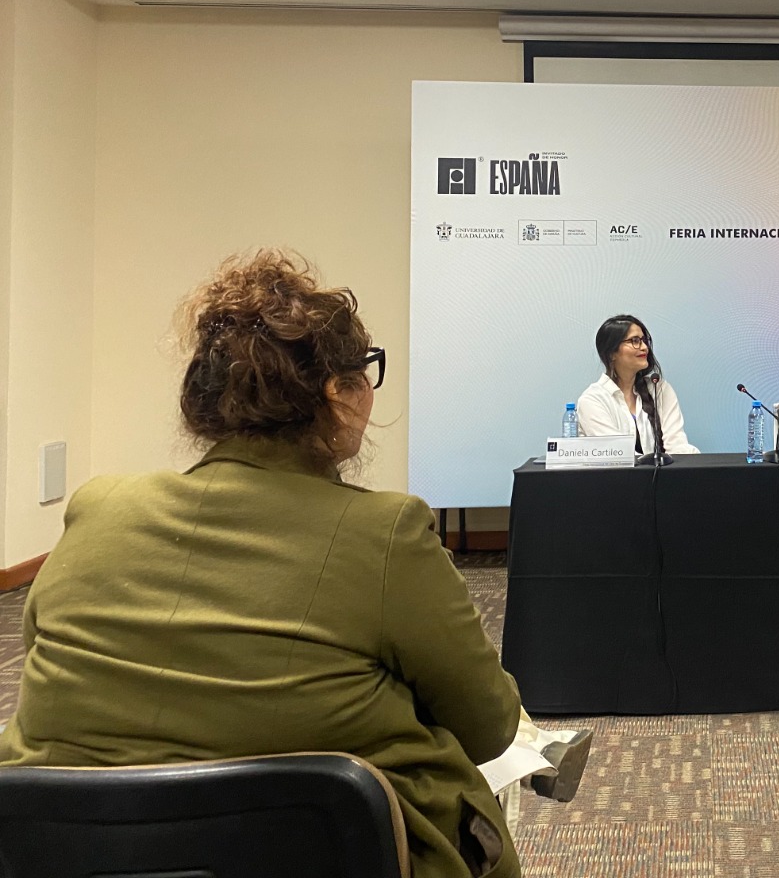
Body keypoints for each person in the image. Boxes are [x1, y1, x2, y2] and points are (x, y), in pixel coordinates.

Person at [0, 251, 579, 878]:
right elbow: (489, 725)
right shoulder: (386, 531)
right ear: (337, 392)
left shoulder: (98, 508)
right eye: (366, 374)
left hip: (78, 856)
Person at [576, 314, 698, 456]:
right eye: (635, 341)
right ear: (611, 353)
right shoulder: (592, 400)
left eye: (644, 341)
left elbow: (677, 446)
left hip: (665, 471)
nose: (644, 347)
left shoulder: (659, 389)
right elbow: (618, 455)